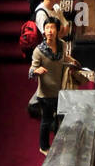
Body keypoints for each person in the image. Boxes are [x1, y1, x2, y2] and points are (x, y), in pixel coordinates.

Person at [29, 15, 80, 155]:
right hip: (45, 93)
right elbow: (31, 71)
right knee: (46, 121)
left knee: (60, 118)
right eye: (47, 28)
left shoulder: (62, 44)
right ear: (44, 32)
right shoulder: (39, 51)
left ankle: (59, 143)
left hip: (61, 90)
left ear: (57, 30)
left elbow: (64, 57)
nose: (49, 31)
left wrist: (72, 61)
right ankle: (44, 147)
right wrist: (36, 71)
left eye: (52, 27)